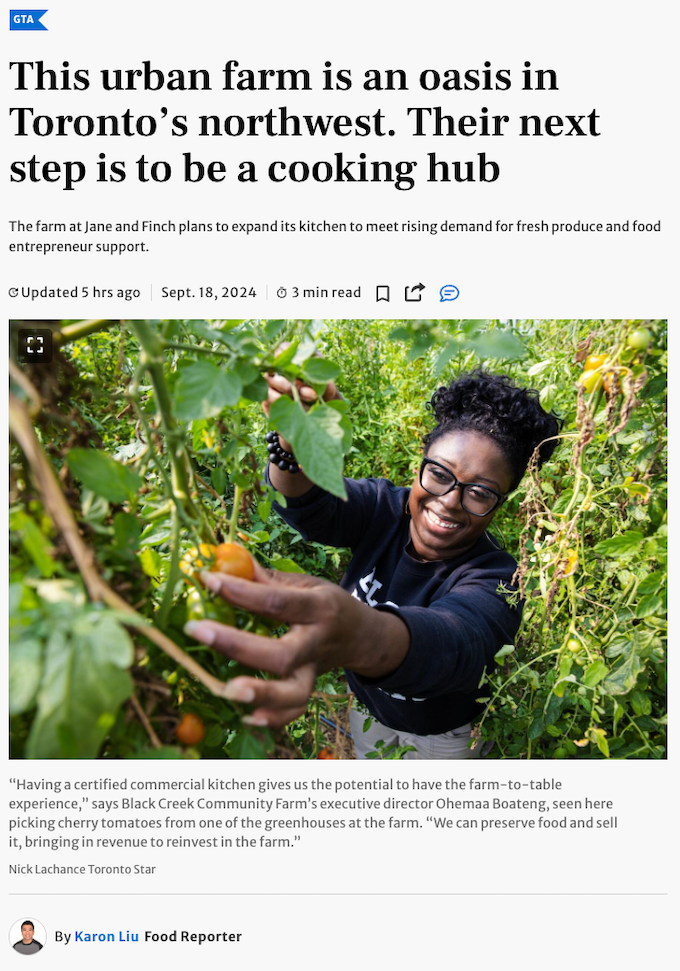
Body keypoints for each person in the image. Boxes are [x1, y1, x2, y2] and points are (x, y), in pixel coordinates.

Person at [185, 370, 561, 759]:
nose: (449, 500)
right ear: (422, 464)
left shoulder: (497, 576)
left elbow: (457, 642)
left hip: (443, 735)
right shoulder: (382, 508)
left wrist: (359, 634)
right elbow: (309, 504)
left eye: (479, 492)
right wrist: (293, 444)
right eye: (438, 474)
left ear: (502, 501)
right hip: (368, 714)